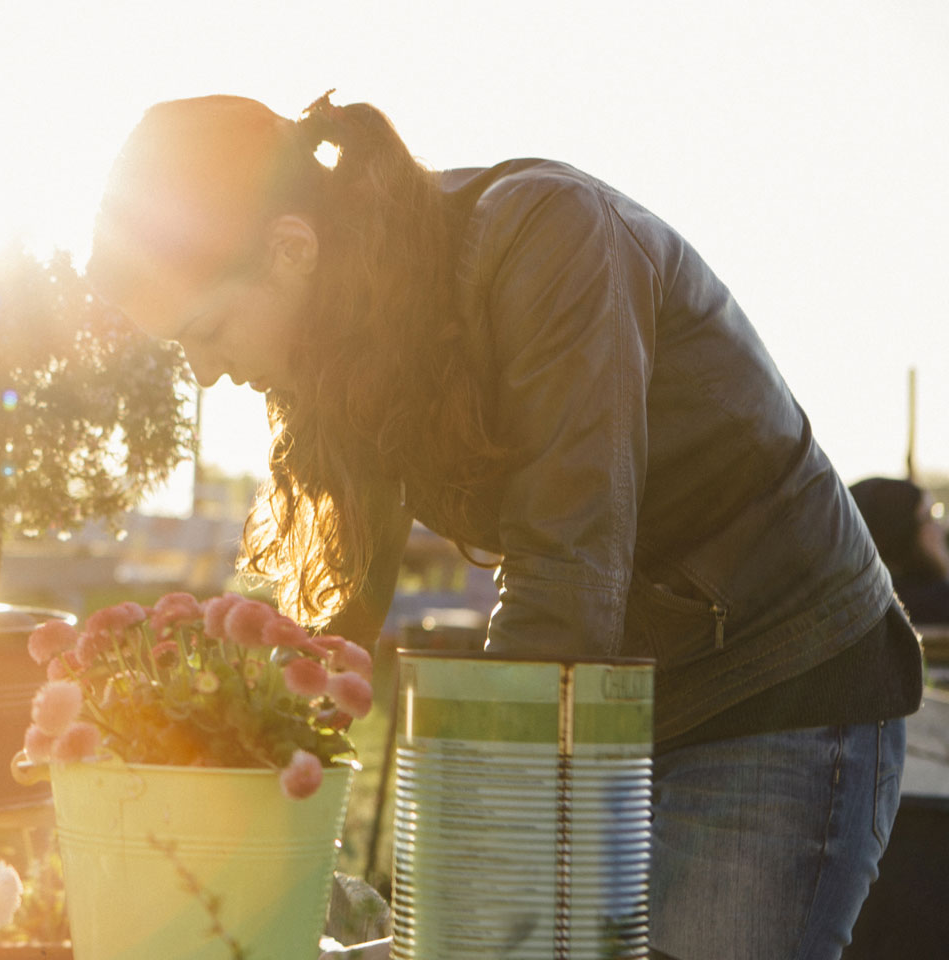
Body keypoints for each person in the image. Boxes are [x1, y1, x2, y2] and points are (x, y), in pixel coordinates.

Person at [86, 92, 923, 960]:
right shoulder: (347, 342)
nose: (208, 374)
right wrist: (244, 786)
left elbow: (567, 572)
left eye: (207, 331)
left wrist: (459, 902)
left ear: (292, 249)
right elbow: (337, 610)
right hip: (625, 695)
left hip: (778, 682)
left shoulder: (549, 238)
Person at [850, 476, 949, 623]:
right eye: (930, 516)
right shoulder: (937, 603)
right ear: (902, 533)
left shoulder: (857, 609)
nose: (941, 528)